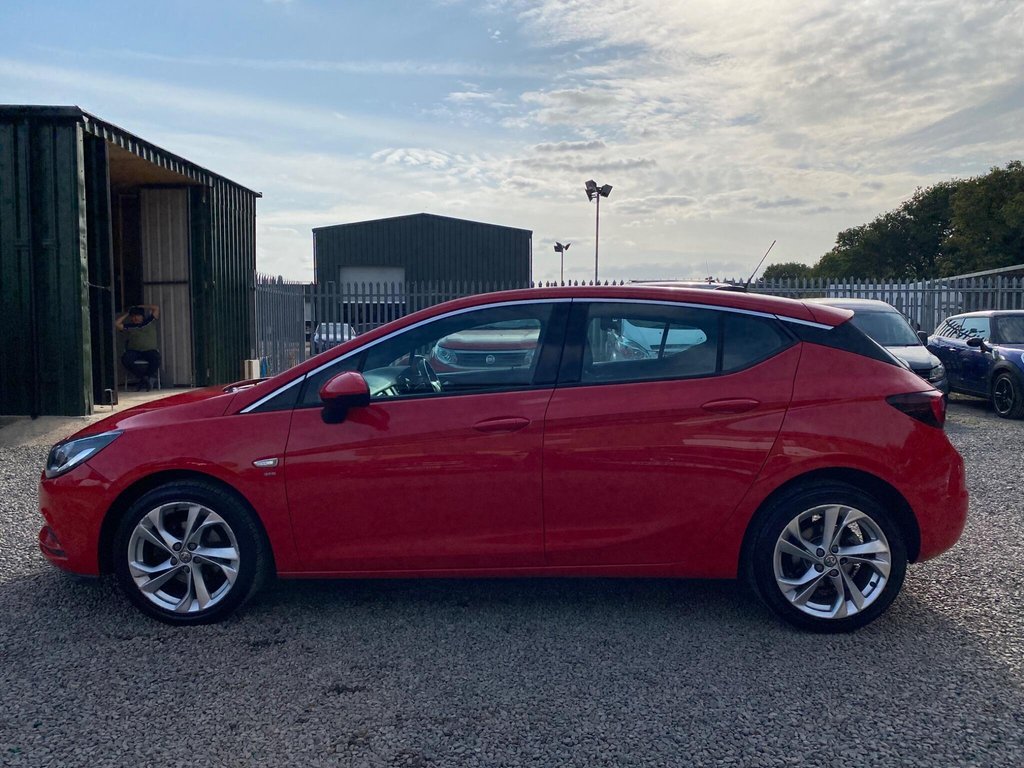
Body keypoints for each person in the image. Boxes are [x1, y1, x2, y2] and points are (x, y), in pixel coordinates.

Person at [116, 304, 161, 391]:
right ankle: (144, 378)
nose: (135, 318)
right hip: (135, 351)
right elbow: (117, 324)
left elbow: (156, 308)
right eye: (133, 316)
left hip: (149, 351)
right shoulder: (129, 326)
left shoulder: (150, 321)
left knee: (156, 358)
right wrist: (128, 313)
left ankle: (145, 377)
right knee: (126, 359)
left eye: (138, 316)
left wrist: (141, 306)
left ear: (142, 316)